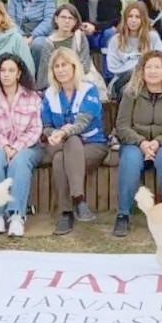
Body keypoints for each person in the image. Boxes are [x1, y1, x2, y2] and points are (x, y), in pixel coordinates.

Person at [114, 51, 162, 237]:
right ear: (142, 70)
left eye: (157, 67)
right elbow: (122, 125)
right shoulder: (131, 92)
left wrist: (157, 142)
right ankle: (123, 214)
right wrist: (141, 143)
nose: (152, 71)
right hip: (135, 142)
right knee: (130, 160)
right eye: (148, 67)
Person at [40, 48, 108, 235]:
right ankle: (79, 199)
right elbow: (45, 125)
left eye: (65, 65)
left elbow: (82, 122)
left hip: (92, 145)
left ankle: (66, 213)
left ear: (74, 67)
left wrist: (64, 132)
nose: (61, 70)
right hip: (58, 144)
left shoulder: (89, 89)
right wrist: (54, 133)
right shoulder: (49, 94)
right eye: (56, 66)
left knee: (62, 157)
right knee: (68, 144)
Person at [0, 53, 42, 237]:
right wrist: (6, 146)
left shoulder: (33, 97)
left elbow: (36, 128)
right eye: (3, 70)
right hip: (0, 146)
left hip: (29, 147)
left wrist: (16, 148)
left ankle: (16, 215)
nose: (6, 74)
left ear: (18, 74)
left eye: (11, 70)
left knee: (20, 161)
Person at [69, 0, 122, 81]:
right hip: (84, 31)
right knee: (76, 36)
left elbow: (115, 19)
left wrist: (95, 27)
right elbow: (72, 16)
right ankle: (81, 77)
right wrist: (82, 26)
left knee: (111, 35)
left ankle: (109, 79)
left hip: (103, 32)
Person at [107, 1, 162, 99]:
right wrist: (137, 68)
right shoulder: (116, 40)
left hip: (147, 78)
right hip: (122, 80)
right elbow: (113, 67)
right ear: (125, 18)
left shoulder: (152, 37)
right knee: (129, 88)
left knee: (135, 90)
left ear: (143, 19)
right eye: (130, 16)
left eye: (137, 17)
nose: (133, 20)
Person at [7, 0, 56, 73]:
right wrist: (23, 36)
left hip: (41, 34)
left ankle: (36, 78)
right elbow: (11, 21)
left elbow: (49, 20)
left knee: (38, 45)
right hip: (19, 33)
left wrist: (32, 36)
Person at [37, 4, 92, 88]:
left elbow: (85, 65)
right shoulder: (49, 43)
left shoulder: (80, 37)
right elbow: (48, 70)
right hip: (56, 83)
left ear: (75, 22)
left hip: (79, 80)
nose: (67, 21)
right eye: (63, 17)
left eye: (70, 18)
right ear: (56, 19)